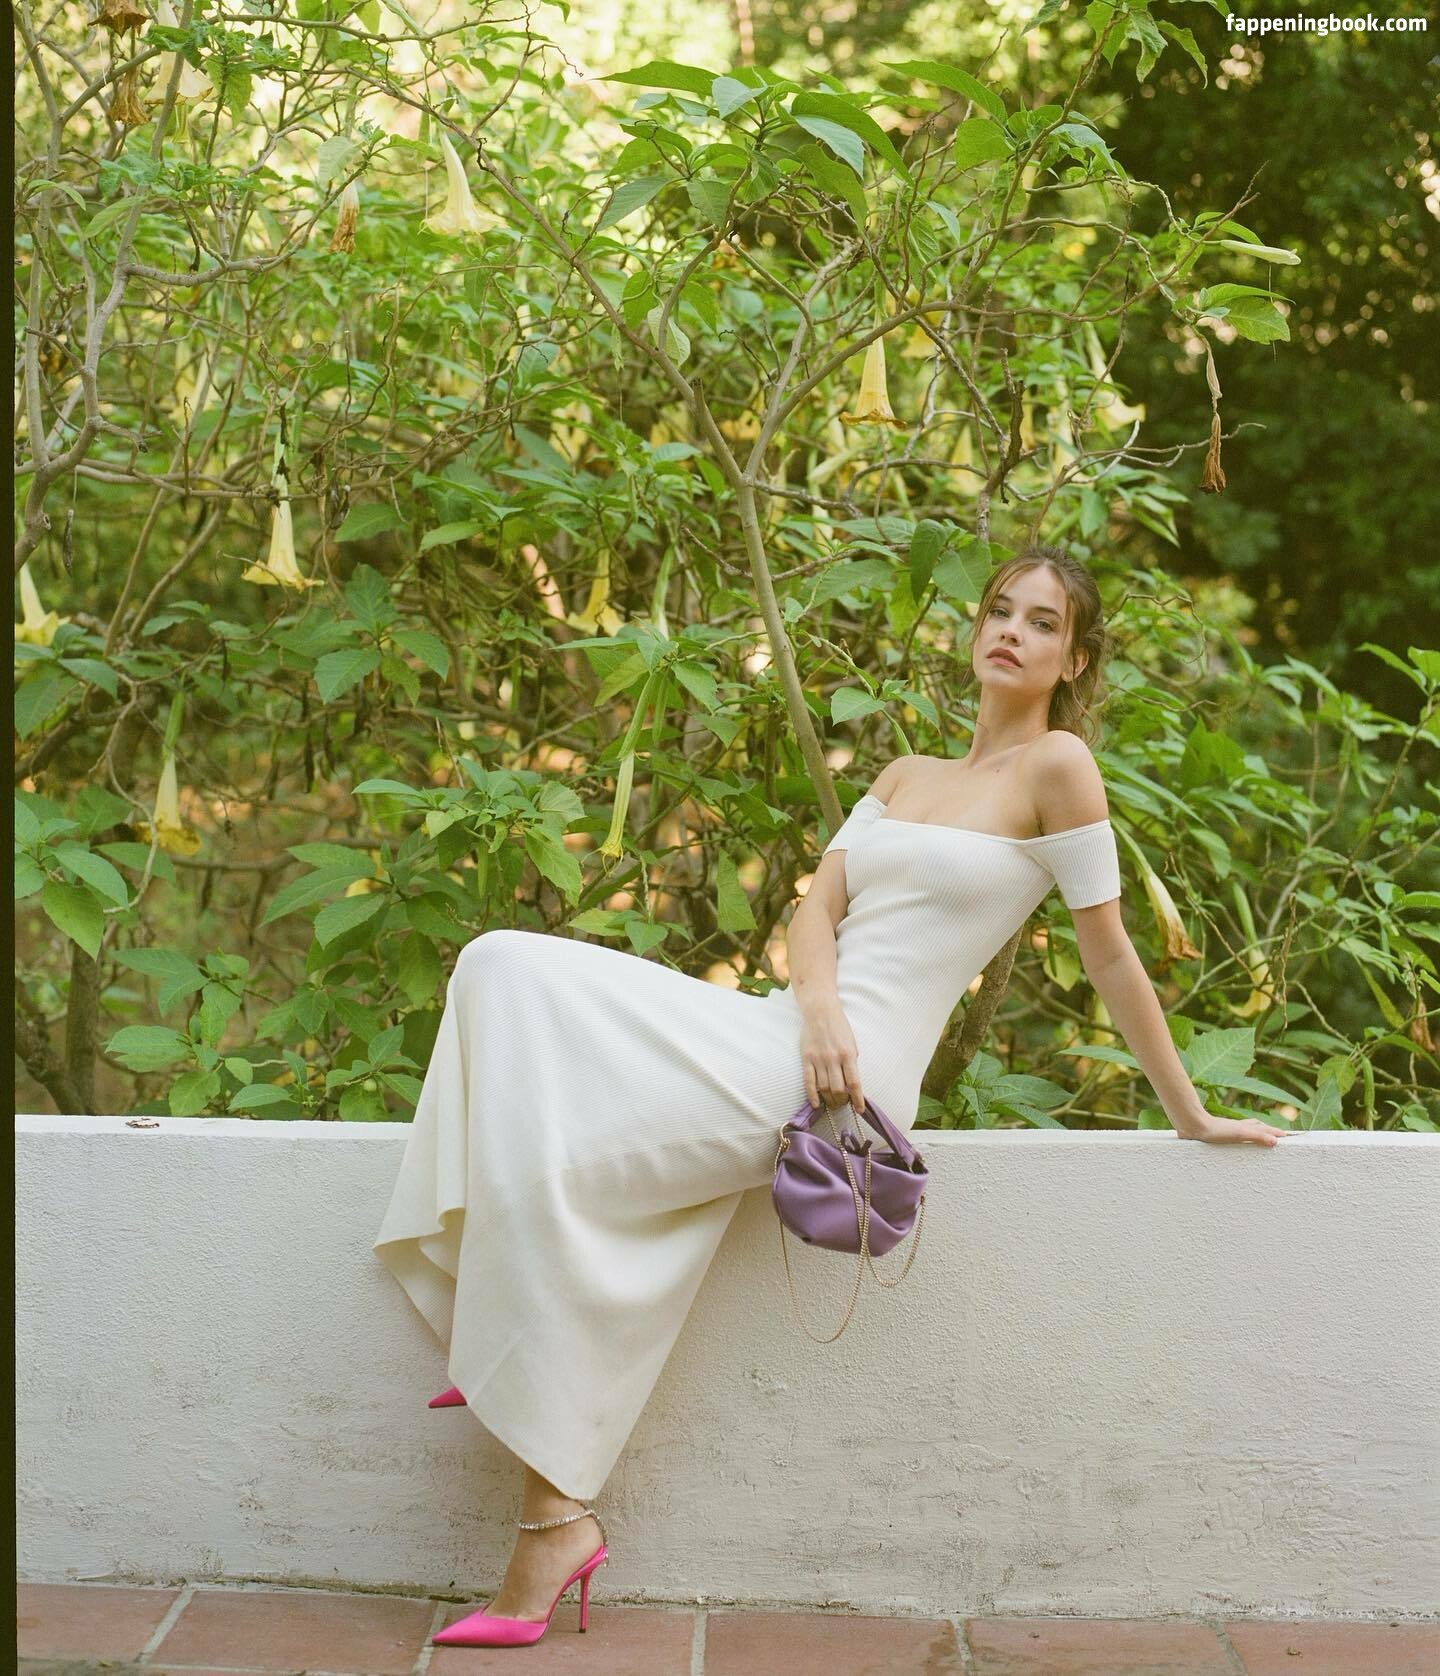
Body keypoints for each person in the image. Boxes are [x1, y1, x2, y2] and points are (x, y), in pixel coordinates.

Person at [373, 542, 1290, 1648]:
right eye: (1000, 609)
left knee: (562, 1166)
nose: (1011, 630)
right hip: (790, 1033)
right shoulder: (903, 774)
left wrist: (1189, 1111)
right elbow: (815, 910)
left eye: (1043, 622)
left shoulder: (1058, 765)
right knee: (500, 968)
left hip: (851, 1083)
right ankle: (513, 1386)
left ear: (1075, 657)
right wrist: (814, 1006)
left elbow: (1111, 955)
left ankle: (538, 1489)